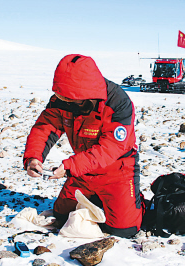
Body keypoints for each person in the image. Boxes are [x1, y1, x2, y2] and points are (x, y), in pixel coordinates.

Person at [23, 54, 143, 238]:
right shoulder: (62, 99)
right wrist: (33, 158)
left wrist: (70, 167)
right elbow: (45, 127)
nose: (64, 101)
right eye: (61, 96)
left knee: (124, 231)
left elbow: (110, 148)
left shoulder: (117, 102)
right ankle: (97, 199)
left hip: (118, 170)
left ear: (86, 94)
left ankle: (132, 200)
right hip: (83, 171)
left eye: (70, 99)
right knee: (61, 217)